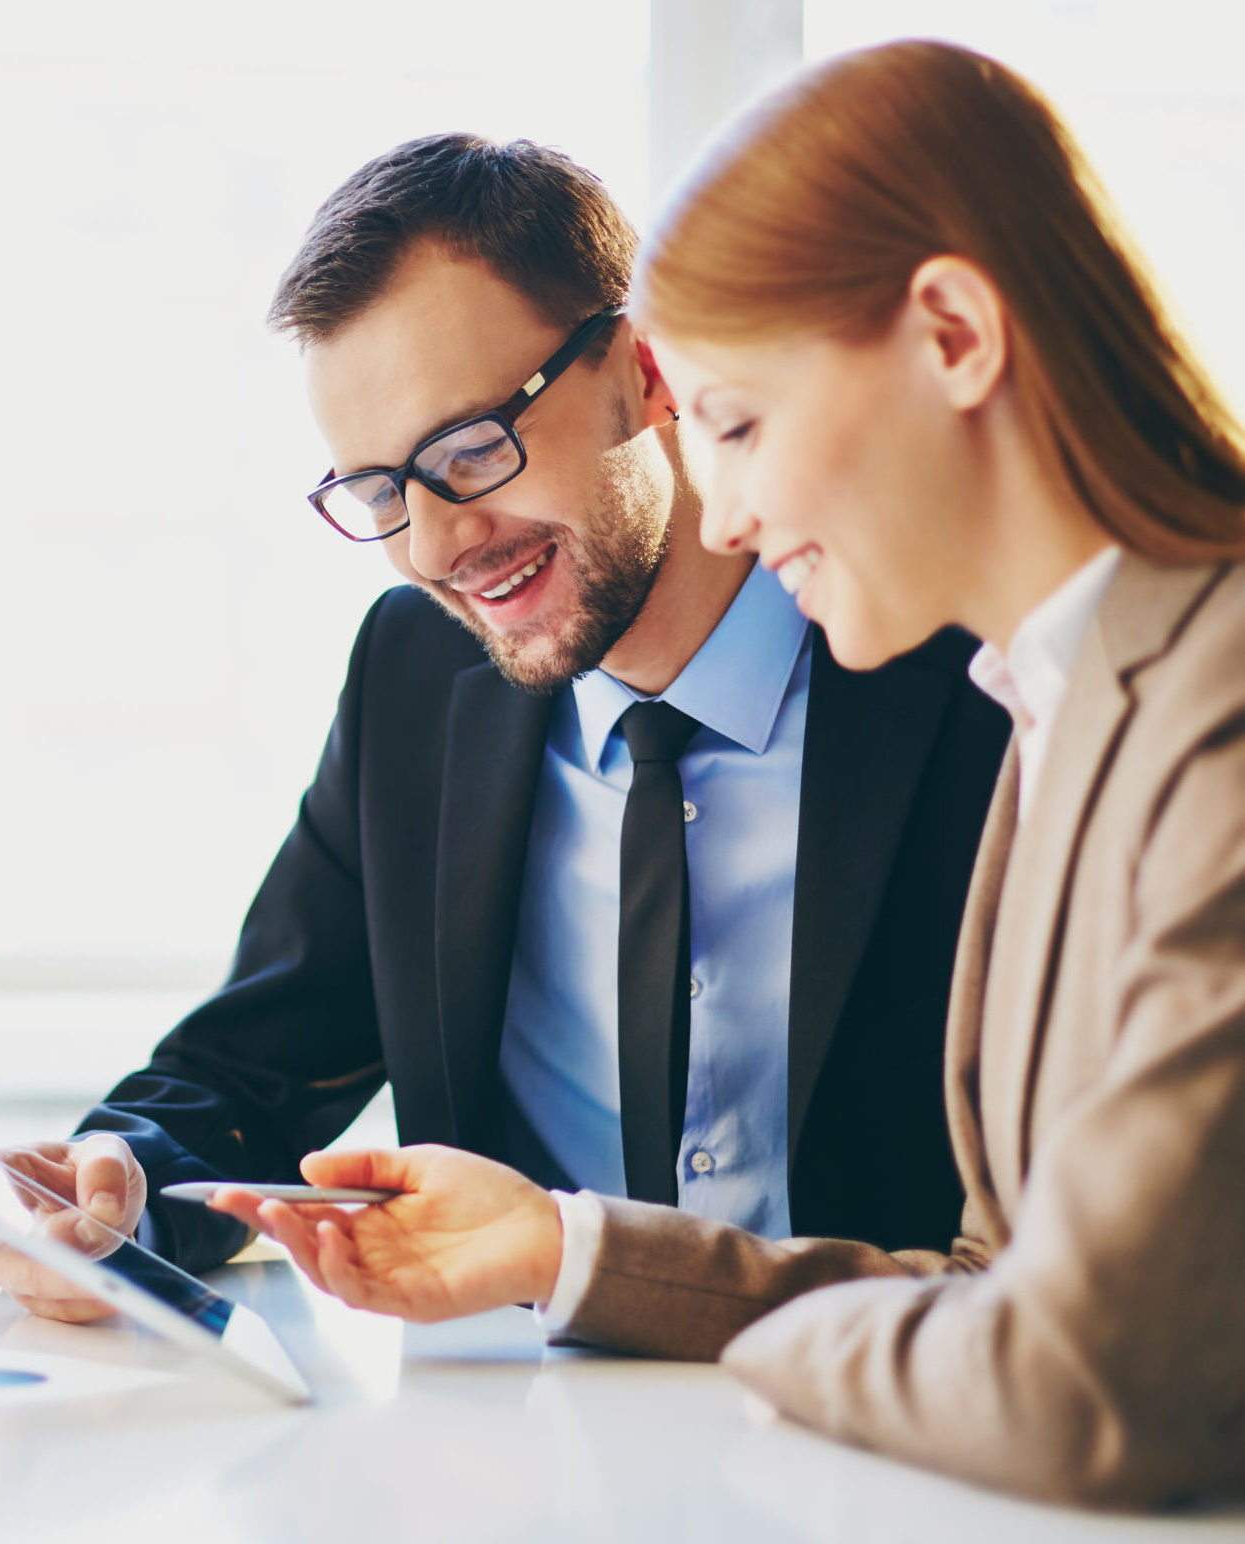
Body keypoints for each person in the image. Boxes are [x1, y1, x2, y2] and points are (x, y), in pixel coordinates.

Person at [213, 45, 1245, 1508]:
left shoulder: (1180, 708)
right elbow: (995, 1292)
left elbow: (1077, 1369)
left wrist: (740, 1358)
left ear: (951, 336)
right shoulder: (1063, 693)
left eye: (739, 425)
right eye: (381, 494)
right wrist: (570, 1256)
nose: (734, 511)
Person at [0, 134, 1006, 1323]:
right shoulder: (415, 676)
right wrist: (120, 1187)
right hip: (519, 1444)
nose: (433, 547)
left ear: (648, 367)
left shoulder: (958, 669)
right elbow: (255, 1059)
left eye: (471, 450)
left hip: (880, 1426)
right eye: (377, 491)